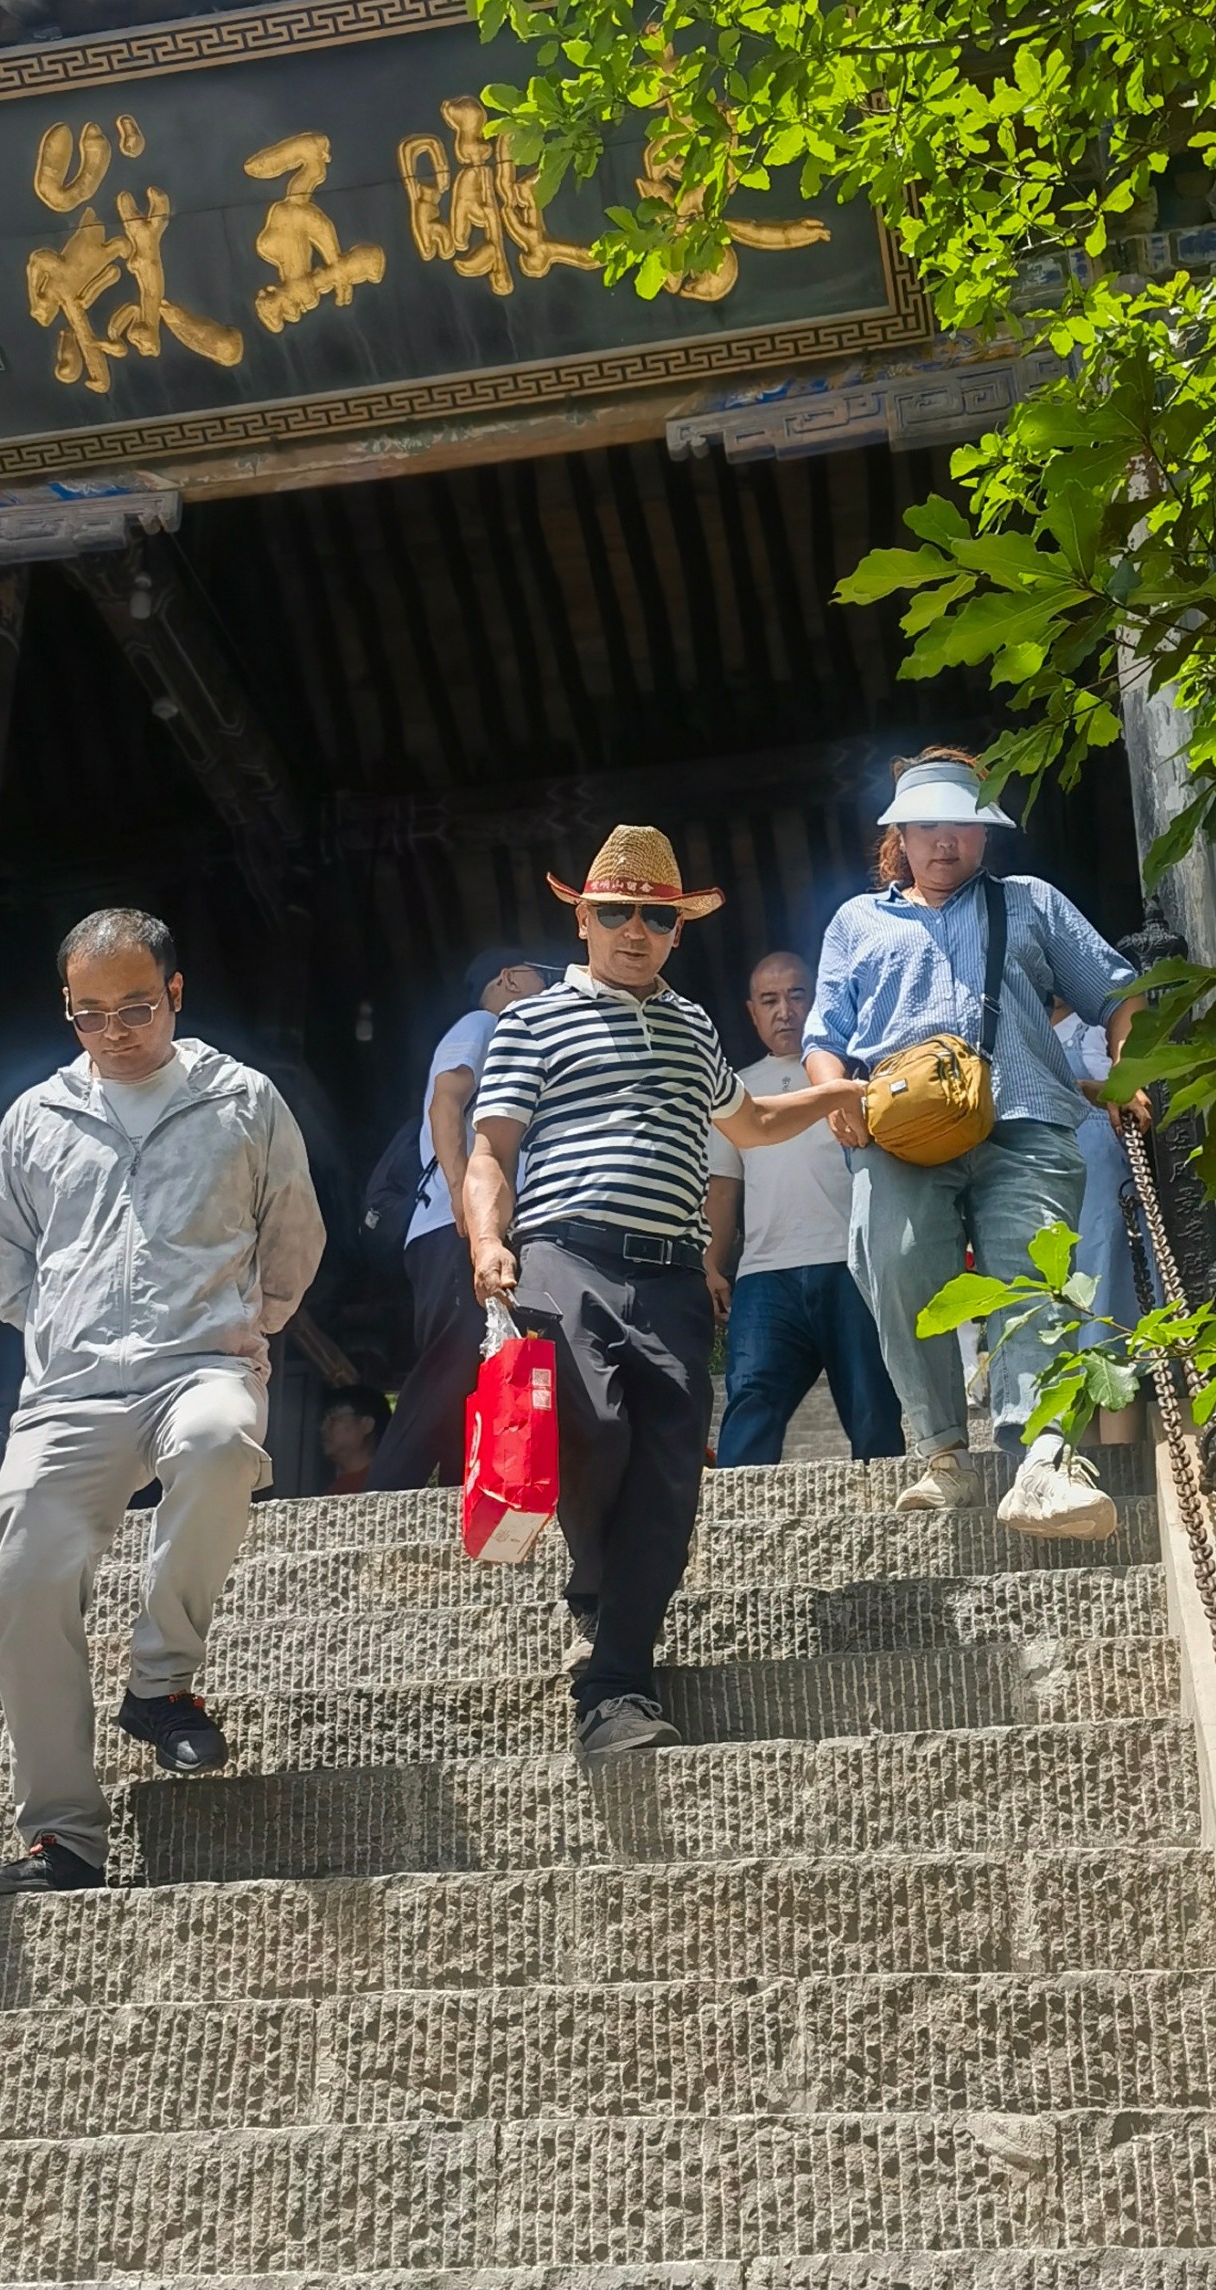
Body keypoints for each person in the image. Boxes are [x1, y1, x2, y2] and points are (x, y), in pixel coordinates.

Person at [465, 825, 862, 1760]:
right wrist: (489, 1239)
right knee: (591, 1421)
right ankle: (594, 1585)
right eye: (616, 912)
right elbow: (491, 1150)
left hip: (678, 1269)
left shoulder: (692, 1027)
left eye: (656, 914)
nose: (635, 929)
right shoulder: (530, 1022)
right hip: (567, 1250)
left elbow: (753, 1120)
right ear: (583, 920)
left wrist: (848, 1095)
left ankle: (615, 1687)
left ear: (678, 930)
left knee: (672, 1476)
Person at [0, 905, 324, 1897]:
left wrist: (243, 1326)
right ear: (66, 1011)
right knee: (21, 1582)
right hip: (71, 1388)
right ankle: (61, 1838)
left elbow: (293, 1235)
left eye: (135, 1007)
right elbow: (9, 1265)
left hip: (199, 1360)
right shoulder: (34, 1118)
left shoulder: (241, 1099)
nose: (114, 1032)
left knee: (221, 1439)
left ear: (175, 994)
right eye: (89, 1015)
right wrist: (59, 1336)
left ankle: (161, 1681)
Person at [803, 751, 1144, 1538]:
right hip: (900, 1134)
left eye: (962, 825)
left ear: (985, 835)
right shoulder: (857, 922)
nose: (944, 842)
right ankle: (942, 1457)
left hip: (1024, 1122)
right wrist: (836, 1098)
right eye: (925, 827)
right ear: (901, 837)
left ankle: (1042, 1462)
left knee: (1034, 1276)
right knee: (893, 1264)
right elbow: (825, 1036)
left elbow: (1119, 992)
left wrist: (1127, 1070)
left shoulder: (1031, 904)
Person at [707, 947, 906, 1467]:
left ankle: (892, 1517)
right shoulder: (735, 1088)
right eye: (769, 1000)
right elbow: (724, 1187)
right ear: (751, 1011)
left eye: (797, 995)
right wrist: (709, 1263)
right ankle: (738, 1523)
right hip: (764, 1275)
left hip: (852, 1265)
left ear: (819, 1000)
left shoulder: (859, 1076)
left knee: (873, 1410)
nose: (785, 1011)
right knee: (750, 1401)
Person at [370, 949, 550, 1489]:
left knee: (471, 1365)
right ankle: (385, 1491)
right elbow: (447, 1102)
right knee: (451, 1359)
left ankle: (455, 1492)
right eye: (545, 978)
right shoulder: (482, 1023)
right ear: (511, 977)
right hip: (454, 1225)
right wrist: (458, 1194)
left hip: (464, 1224)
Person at [320, 1384, 391, 1491]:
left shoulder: (388, 1485)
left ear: (367, 1425)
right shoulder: (336, 1488)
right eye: (325, 1419)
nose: (324, 1428)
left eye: (334, 1418)